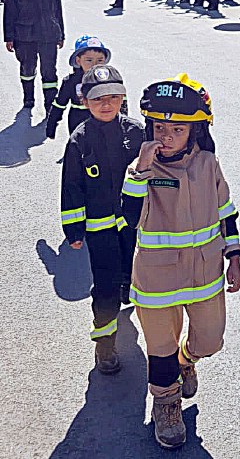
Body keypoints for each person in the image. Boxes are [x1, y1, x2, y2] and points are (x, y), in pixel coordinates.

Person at [122, 73, 240, 449]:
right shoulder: (140, 170)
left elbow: (227, 213)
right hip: (156, 280)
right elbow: (128, 216)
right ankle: (166, 406)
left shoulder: (208, 164)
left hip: (205, 274)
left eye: (177, 129)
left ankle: (186, 359)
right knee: (159, 348)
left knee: (210, 340)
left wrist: (234, 257)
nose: (167, 136)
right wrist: (140, 171)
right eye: (160, 127)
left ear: (195, 131)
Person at [60, 65, 144, 375]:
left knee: (136, 277)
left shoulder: (137, 133)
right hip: (100, 230)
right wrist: (73, 228)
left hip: (136, 226)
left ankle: (129, 291)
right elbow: (71, 187)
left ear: (123, 97)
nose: (106, 104)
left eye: (113, 97)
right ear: (85, 102)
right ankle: (104, 342)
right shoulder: (80, 140)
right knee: (105, 287)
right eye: (98, 99)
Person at [3, 0, 64, 111]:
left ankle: (50, 104)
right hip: (24, 36)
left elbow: (57, 12)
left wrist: (61, 35)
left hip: (48, 35)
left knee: (49, 72)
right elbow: (9, 12)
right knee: (27, 68)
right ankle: (28, 98)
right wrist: (9, 37)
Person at [46, 36, 113, 139]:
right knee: (79, 146)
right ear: (78, 61)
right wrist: (51, 125)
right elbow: (59, 104)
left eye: (100, 60)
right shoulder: (70, 82)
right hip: (77, 120)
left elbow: (120, 100)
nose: (94, 65)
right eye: (89, 60)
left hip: (103, 119)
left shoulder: (110, 79)